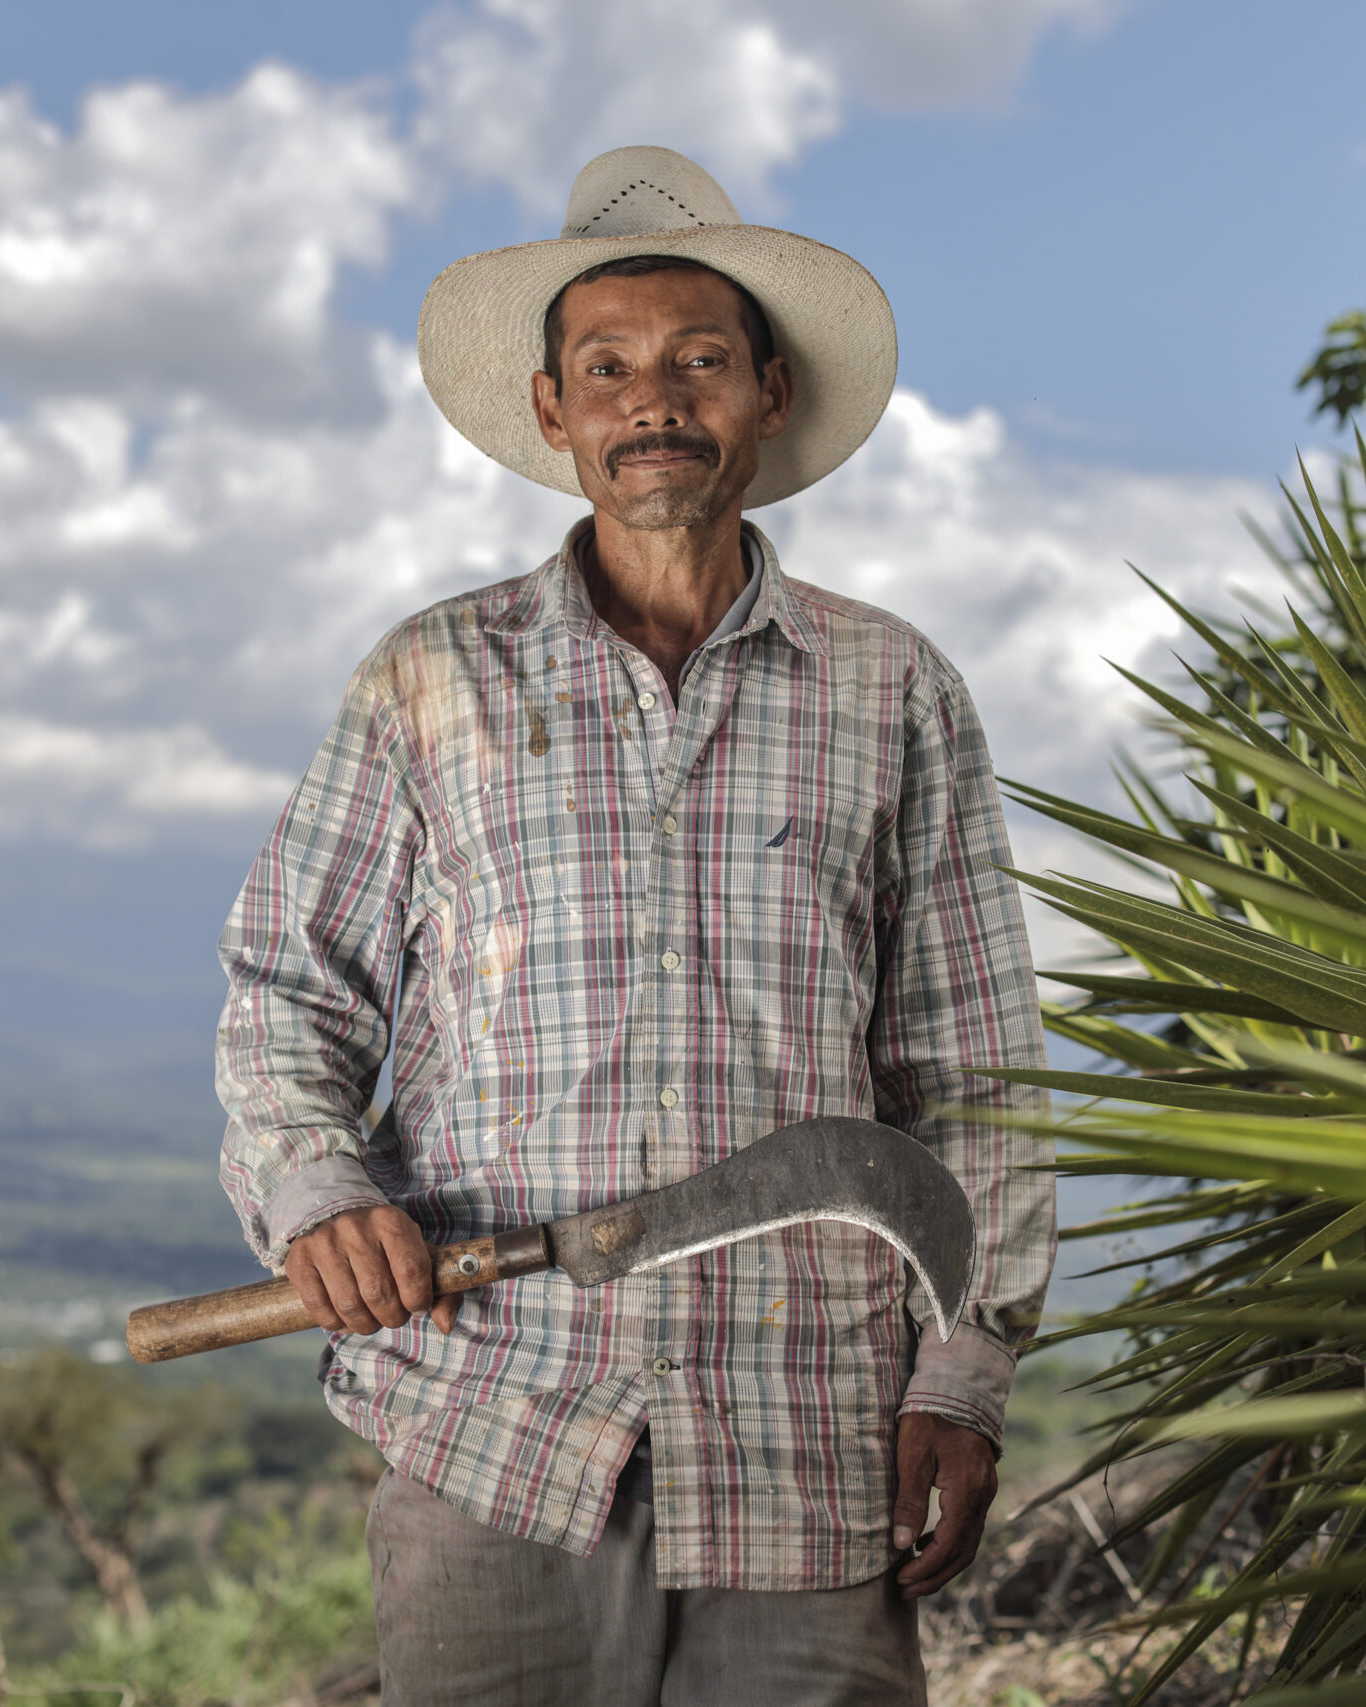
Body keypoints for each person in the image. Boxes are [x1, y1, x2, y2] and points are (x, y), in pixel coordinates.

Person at [213, 144, 1053, 1707]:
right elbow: (289, 986)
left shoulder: (894, 690)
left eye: (696, 362)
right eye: (606, 367)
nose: (650, 399)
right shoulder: (431, 679)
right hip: (494, 1416)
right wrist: (320, 1192)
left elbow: (974, 1067)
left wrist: (968, 1366)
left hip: (812, 1435)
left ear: (768, 393)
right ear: (553, 412)